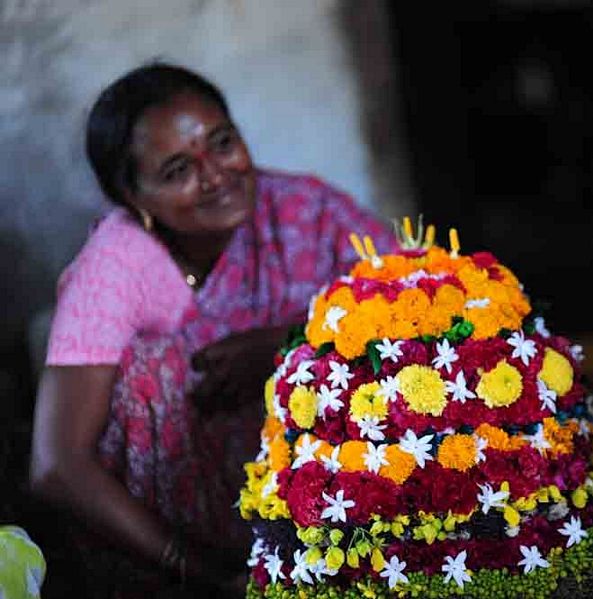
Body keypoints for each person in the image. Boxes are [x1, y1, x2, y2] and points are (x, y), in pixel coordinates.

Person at [29, 61, 395, 597]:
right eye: (178, 170)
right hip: (180, 532)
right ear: (134, 200)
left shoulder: (306, 211)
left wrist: (290, 343)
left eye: (222, 142)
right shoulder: (116, 264)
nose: (216, 174)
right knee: (149, 372)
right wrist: (199, 569)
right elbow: (56, 464)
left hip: (325, 496)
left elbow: (423, 304)